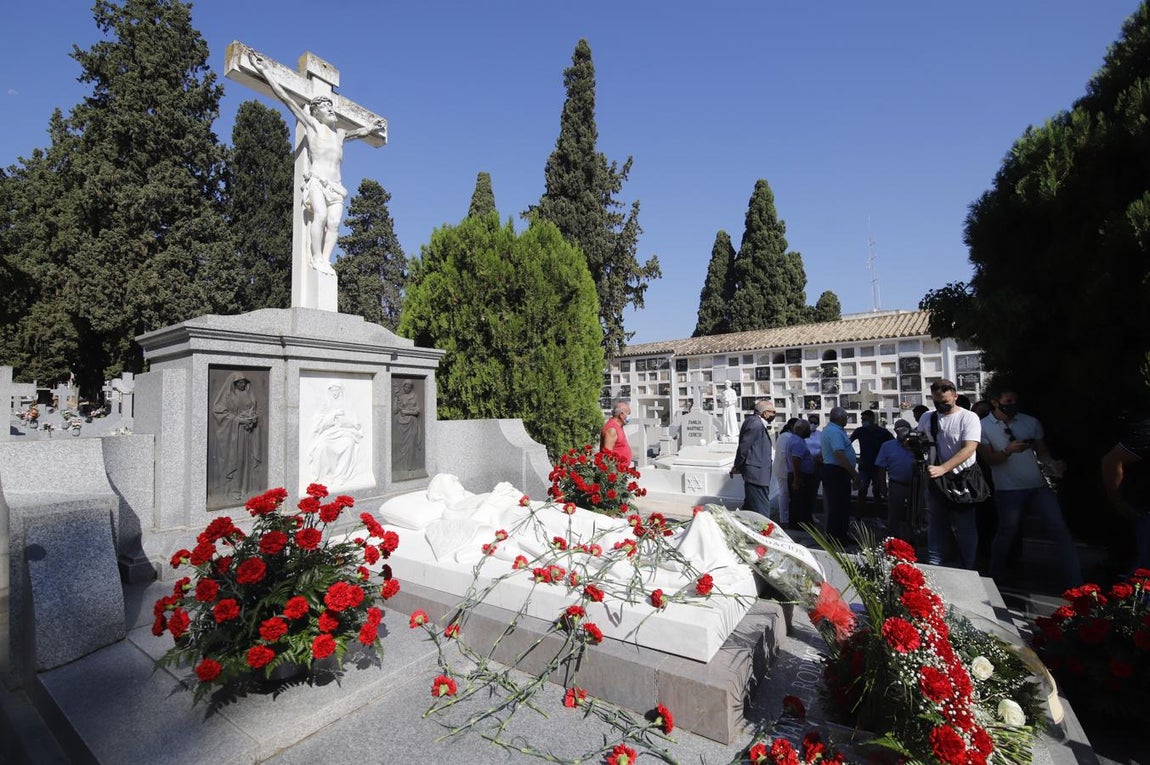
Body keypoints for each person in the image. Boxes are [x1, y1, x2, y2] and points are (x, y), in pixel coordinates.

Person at [252, 56, 387, 275]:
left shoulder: (340, 134)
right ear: (316, 112)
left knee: (334, 224)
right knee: (320, 216)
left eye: (331, 106)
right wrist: (266, 72)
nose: (330, 110)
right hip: (317, 181)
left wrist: (373, 127)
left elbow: (361, 132)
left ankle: (325, 259)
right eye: (325, 107)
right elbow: (287, 99)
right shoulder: (312, 126)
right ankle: (315, 258)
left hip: (336, 187)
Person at [977, 384, 1082, 588]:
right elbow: (989, 459)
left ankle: (1076, 581)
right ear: (995, 402)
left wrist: (1052, 464)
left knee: (1059, 528)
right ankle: (995, 573)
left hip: (1037, 485)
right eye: (1008, 401)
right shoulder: (983, 426)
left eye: (1015, 401)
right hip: (1008, 488)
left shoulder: (1029, 422)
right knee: (1007, 531)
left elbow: (1042, 451)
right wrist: (1008, 451)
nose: (1013, 405)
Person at [916, 379, 981, 569]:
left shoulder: (968, 418)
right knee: (935, 526)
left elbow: (969, 448)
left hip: (963, 479)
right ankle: (934, 565)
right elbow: (921, 440)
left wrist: (944, 468)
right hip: (936, 480)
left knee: (965, 527)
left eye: (945, 401)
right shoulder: (928, 418)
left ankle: (969, 566)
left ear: (955, 397)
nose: (941, 405)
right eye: (937, 402)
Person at [1101, 413, 1150, 574]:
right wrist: (1117, 500)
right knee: (1144, 572)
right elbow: (1112, 461)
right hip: (1146, 509)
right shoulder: (1146, 431)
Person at [211, 372, 262, 501]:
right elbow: (218, 411)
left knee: (246, 460)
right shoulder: (227, 396)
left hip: (248, 432)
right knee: (236, 459)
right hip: (234, 433)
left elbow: (254, 409)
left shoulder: (248, 394)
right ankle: (234, 488)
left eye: (244, 382)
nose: (242, 384)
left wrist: (252, 418)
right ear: (233, 384)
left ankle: (246, 487)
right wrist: (238, 420)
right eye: (240, 382)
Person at [308, 383, 365, 485]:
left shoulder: (347, 404)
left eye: (336, 390)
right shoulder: (325, 405)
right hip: (329, 433)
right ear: (329, 392)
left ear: (340, 391)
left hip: (345, 432)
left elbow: (356, 422)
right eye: (332, 390)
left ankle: (341, 476)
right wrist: (333, 414)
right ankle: (327, 475)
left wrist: (346, 422)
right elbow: (318, 423)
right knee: (322, 447)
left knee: (349, 444)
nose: (335, 393)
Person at [874, 420, 918, 543]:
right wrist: (883, 486)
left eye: (905, 429)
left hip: (914, 485)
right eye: (899, 429)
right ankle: (893, 538)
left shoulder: (916, 445)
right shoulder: (887, 446)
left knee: (913, 513)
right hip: (896, 484)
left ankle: (912, 538)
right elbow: (881, 467)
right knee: (894, 513)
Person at [731, 400, 776, 516]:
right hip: (757, 474)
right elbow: (744, 447)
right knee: (762, 510)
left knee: (749, 508)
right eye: (773, 412)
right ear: (765, 413)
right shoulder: (755, 424)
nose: (774, 415)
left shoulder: (754, 422)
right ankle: (766, 532)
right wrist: (737, 466)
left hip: (757, 473)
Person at [820, 407, 858, 542]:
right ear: (840, 418)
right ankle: (836, 537)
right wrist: (853, 473)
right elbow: (839, 454)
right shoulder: (835, 432)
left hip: (836, 471)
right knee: (837, 505)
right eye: (846, 417)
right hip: (836, 471)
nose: (847, 420)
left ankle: (841, 534)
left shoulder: (832, 430)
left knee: (841, 504)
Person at [850, 409, 893, 516]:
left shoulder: (882, 432)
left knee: (877, 492)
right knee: (862, 491)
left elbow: (892, 444)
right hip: (864, 466)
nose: (863, 421)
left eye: (865, 419)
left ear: (872, 419)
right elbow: (848, 442)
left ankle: (878, 517)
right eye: (862, 419)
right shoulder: (859, 431)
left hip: (878, 467)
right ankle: (858, 517)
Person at [787, 419, 818, 527]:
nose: (809, 431)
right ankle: (801, 526)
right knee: (802, 503)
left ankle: (800, 524)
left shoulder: (796, 439)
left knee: (800, 502)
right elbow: (796, 460)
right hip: (801, 477)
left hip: (799, 475)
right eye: (807, 429)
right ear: (801, 430)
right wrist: (796, 479)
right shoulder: (797, 442)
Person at [771, 418, 799, 524]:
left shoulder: (789, 436)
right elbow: (784, 455)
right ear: (792, 426)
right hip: (783, 470)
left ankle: (789, 516)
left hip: (787, 470)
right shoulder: (784, 437)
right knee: (784, 493)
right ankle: (784, 518)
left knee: (787, 494)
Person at [393, 380, 423, 475]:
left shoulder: (414, 397)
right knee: (401, 445)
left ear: (411, 387)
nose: (407, 388)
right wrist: (395, 399)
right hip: (400, 424)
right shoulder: (400, 397)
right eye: (405, 387)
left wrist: (407, 412)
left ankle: (410, 467)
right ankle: (400, 466)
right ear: (403, 387)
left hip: (411, 424)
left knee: (410, 446)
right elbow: (395, 411)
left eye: (409, 387)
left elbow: (417, 411)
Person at [600, 399, 633, 467]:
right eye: (628, 413)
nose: (629, 416)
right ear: (621, 415)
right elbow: (607, 455)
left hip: (621, 471)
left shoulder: (619, 426)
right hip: (616, 472)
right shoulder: (612, 429)